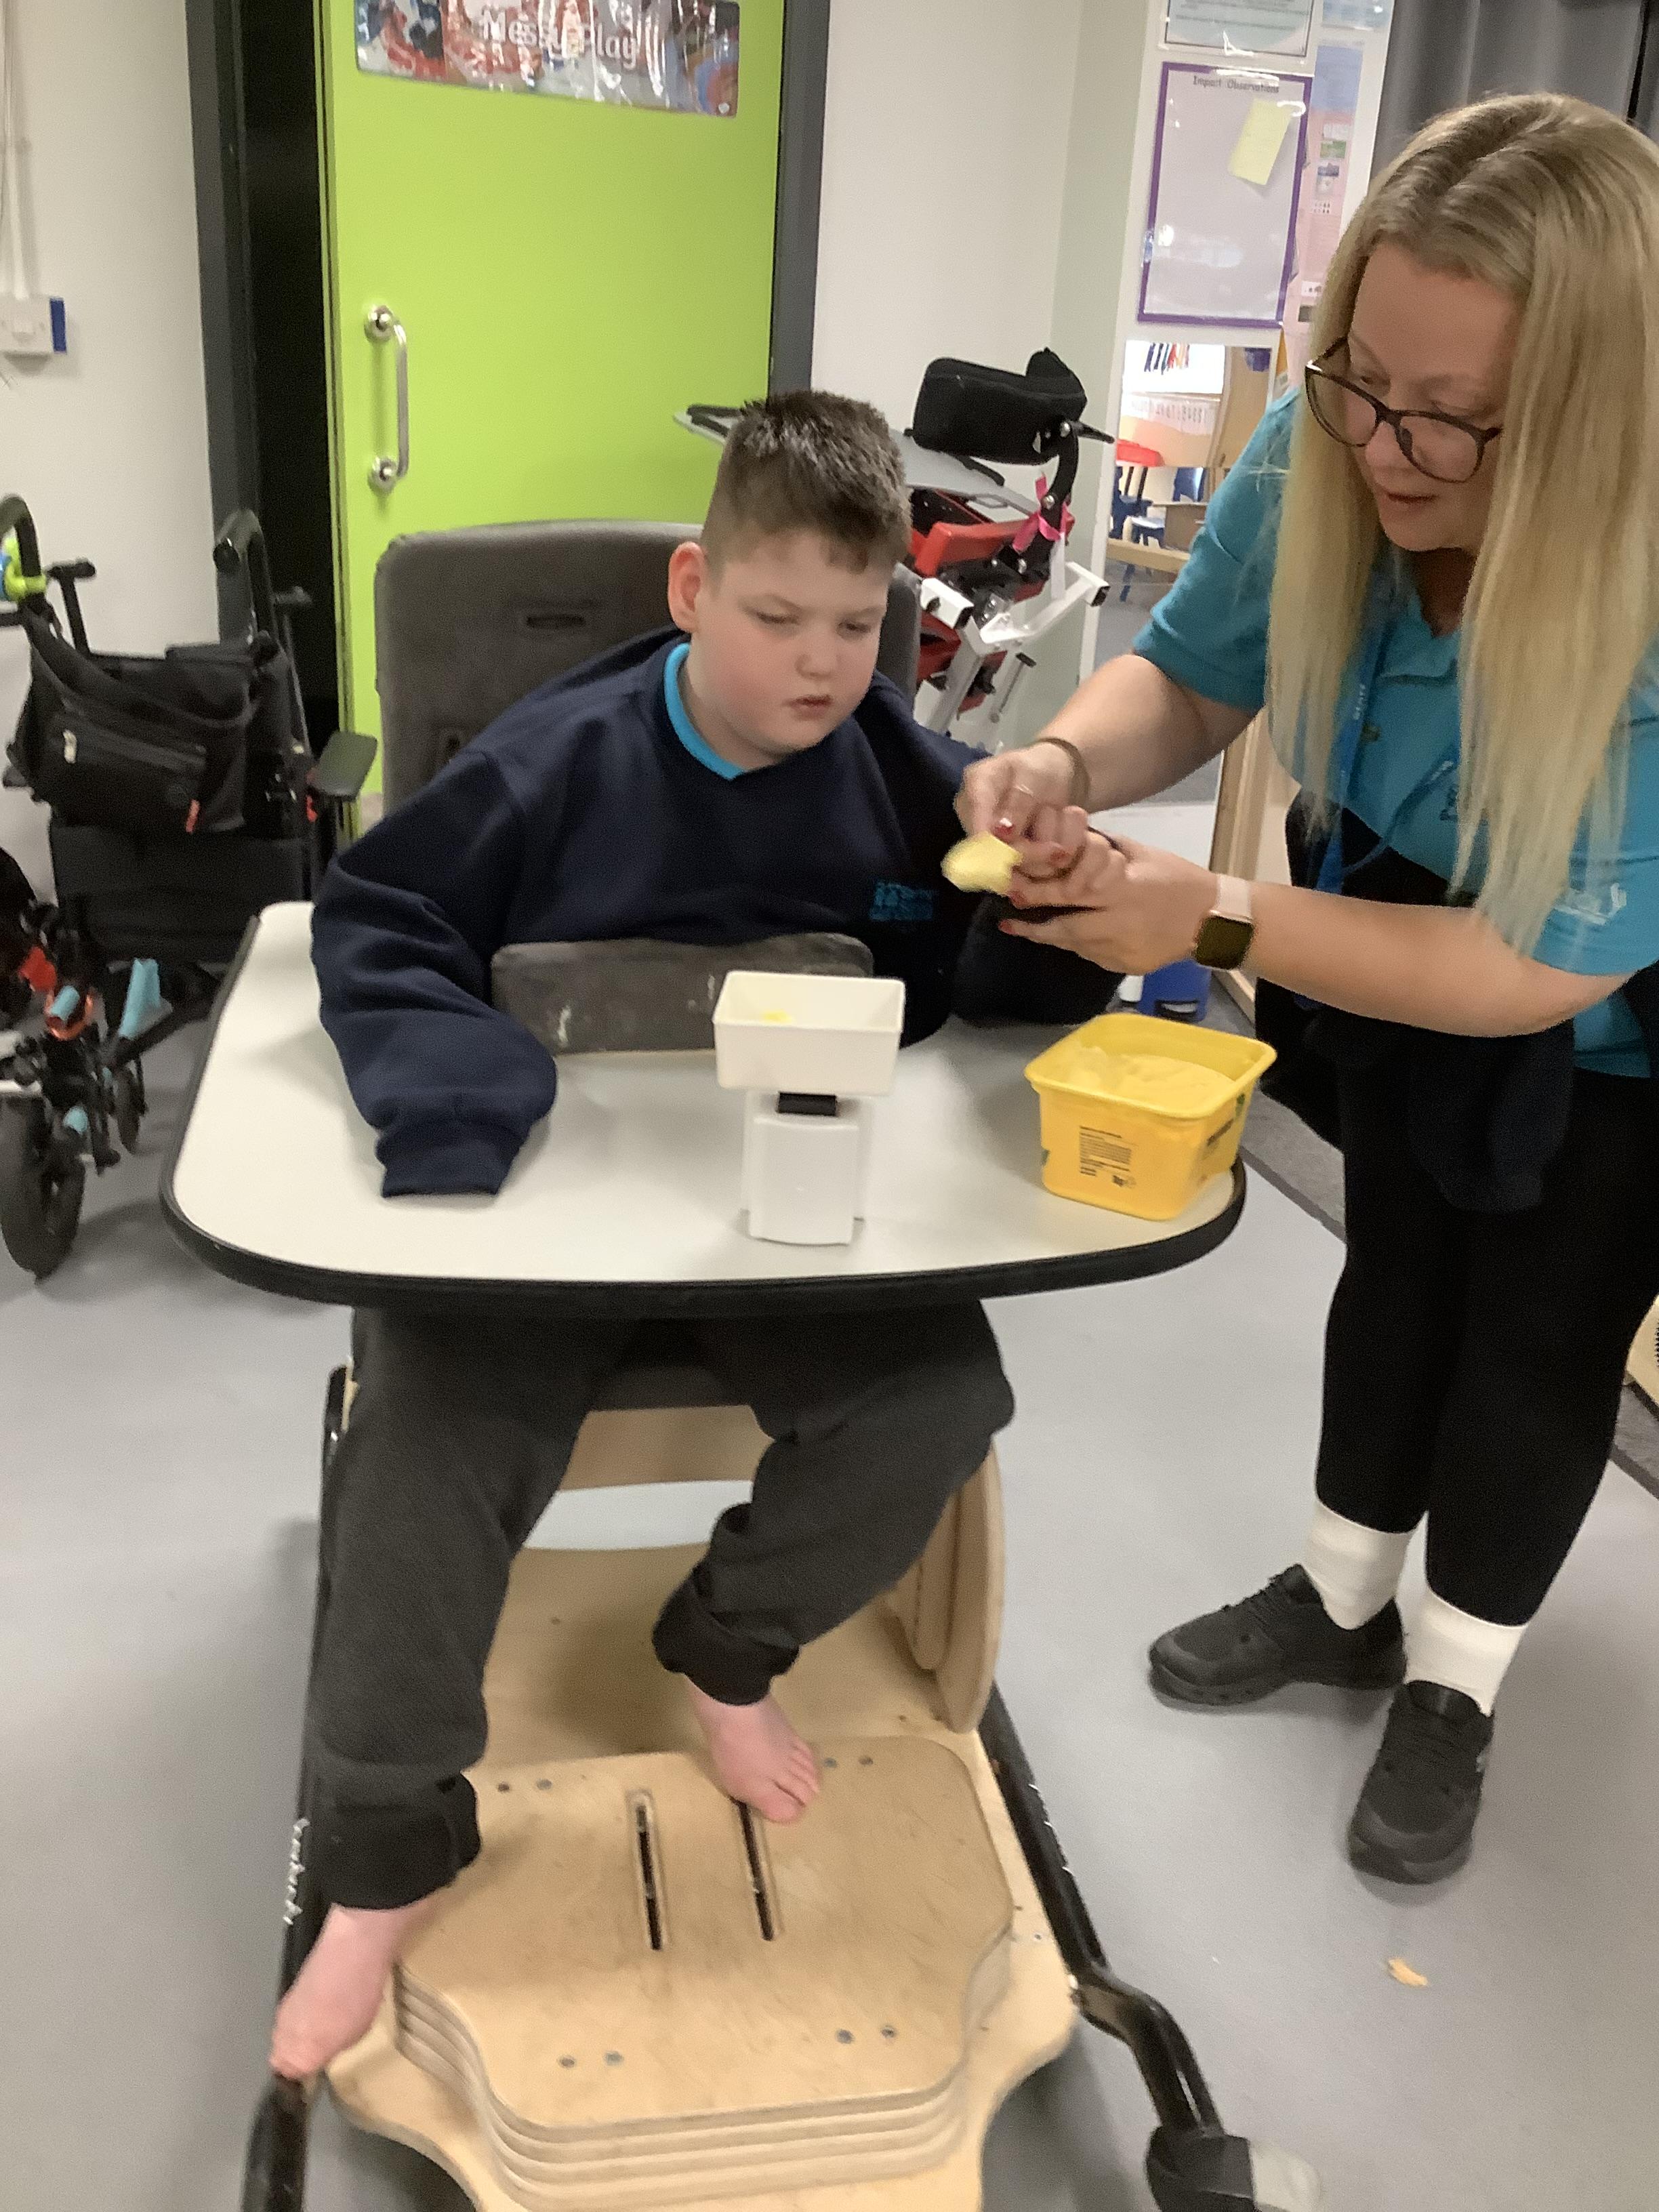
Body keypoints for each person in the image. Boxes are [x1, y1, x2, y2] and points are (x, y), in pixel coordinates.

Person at [272, 391, 1113, 2078]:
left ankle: (726, 1649)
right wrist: (461, 1119)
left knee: (941, 1400)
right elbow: (379, 916)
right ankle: (383, 1848)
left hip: (787, 1203)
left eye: (859, 627)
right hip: (552, 1211)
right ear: (691, 588)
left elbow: (974, 996)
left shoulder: (908, 782)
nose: (821, 663)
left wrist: (1046, 909)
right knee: (424, 1441)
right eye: (777, 615)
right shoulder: (551, 765)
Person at [960, 94, 1659, 1886]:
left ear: (1585, 422)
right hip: (1391, 912)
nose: (1383, 445)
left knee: (1539, 1341)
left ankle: (1457, 1679)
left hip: (1607, 1020)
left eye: (1448, 416)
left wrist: (1207, 919)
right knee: (1398, 1268)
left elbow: (1530, 966)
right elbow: (1194, 677)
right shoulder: (1322, 450)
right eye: (1360, 380)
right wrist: (1065, 761)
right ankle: (1347, 1597)